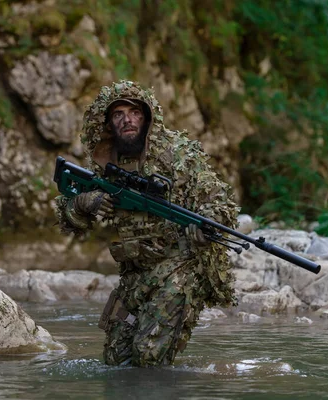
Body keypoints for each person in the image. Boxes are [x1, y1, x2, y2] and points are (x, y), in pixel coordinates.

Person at [54, 80, 238, 366]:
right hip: (134, 275)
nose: (127, 120)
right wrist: (82, 204)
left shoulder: (179, 154)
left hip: (180, 265)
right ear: (107, 124)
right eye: (118, 115)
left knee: (149, 356)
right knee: (116, 362)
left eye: (135, 112)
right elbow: (68, 218)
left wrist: (208, 227)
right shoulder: (105, 165)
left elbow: (218, 201)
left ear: (148, 116)